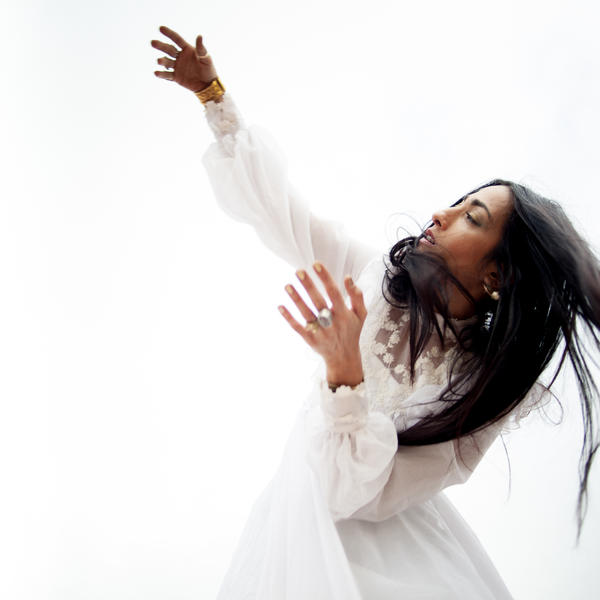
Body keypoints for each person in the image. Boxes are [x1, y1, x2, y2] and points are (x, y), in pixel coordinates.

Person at [151, 26, 600, 599]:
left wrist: (346, 377)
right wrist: (213, 96)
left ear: (498, 275)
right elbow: (282, 214)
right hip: (288, 534)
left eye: (472, 218)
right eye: (459, 202)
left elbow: (353, 495)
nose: (440, 214)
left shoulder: (480, 393)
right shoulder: (373, 281)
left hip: (397, 567)